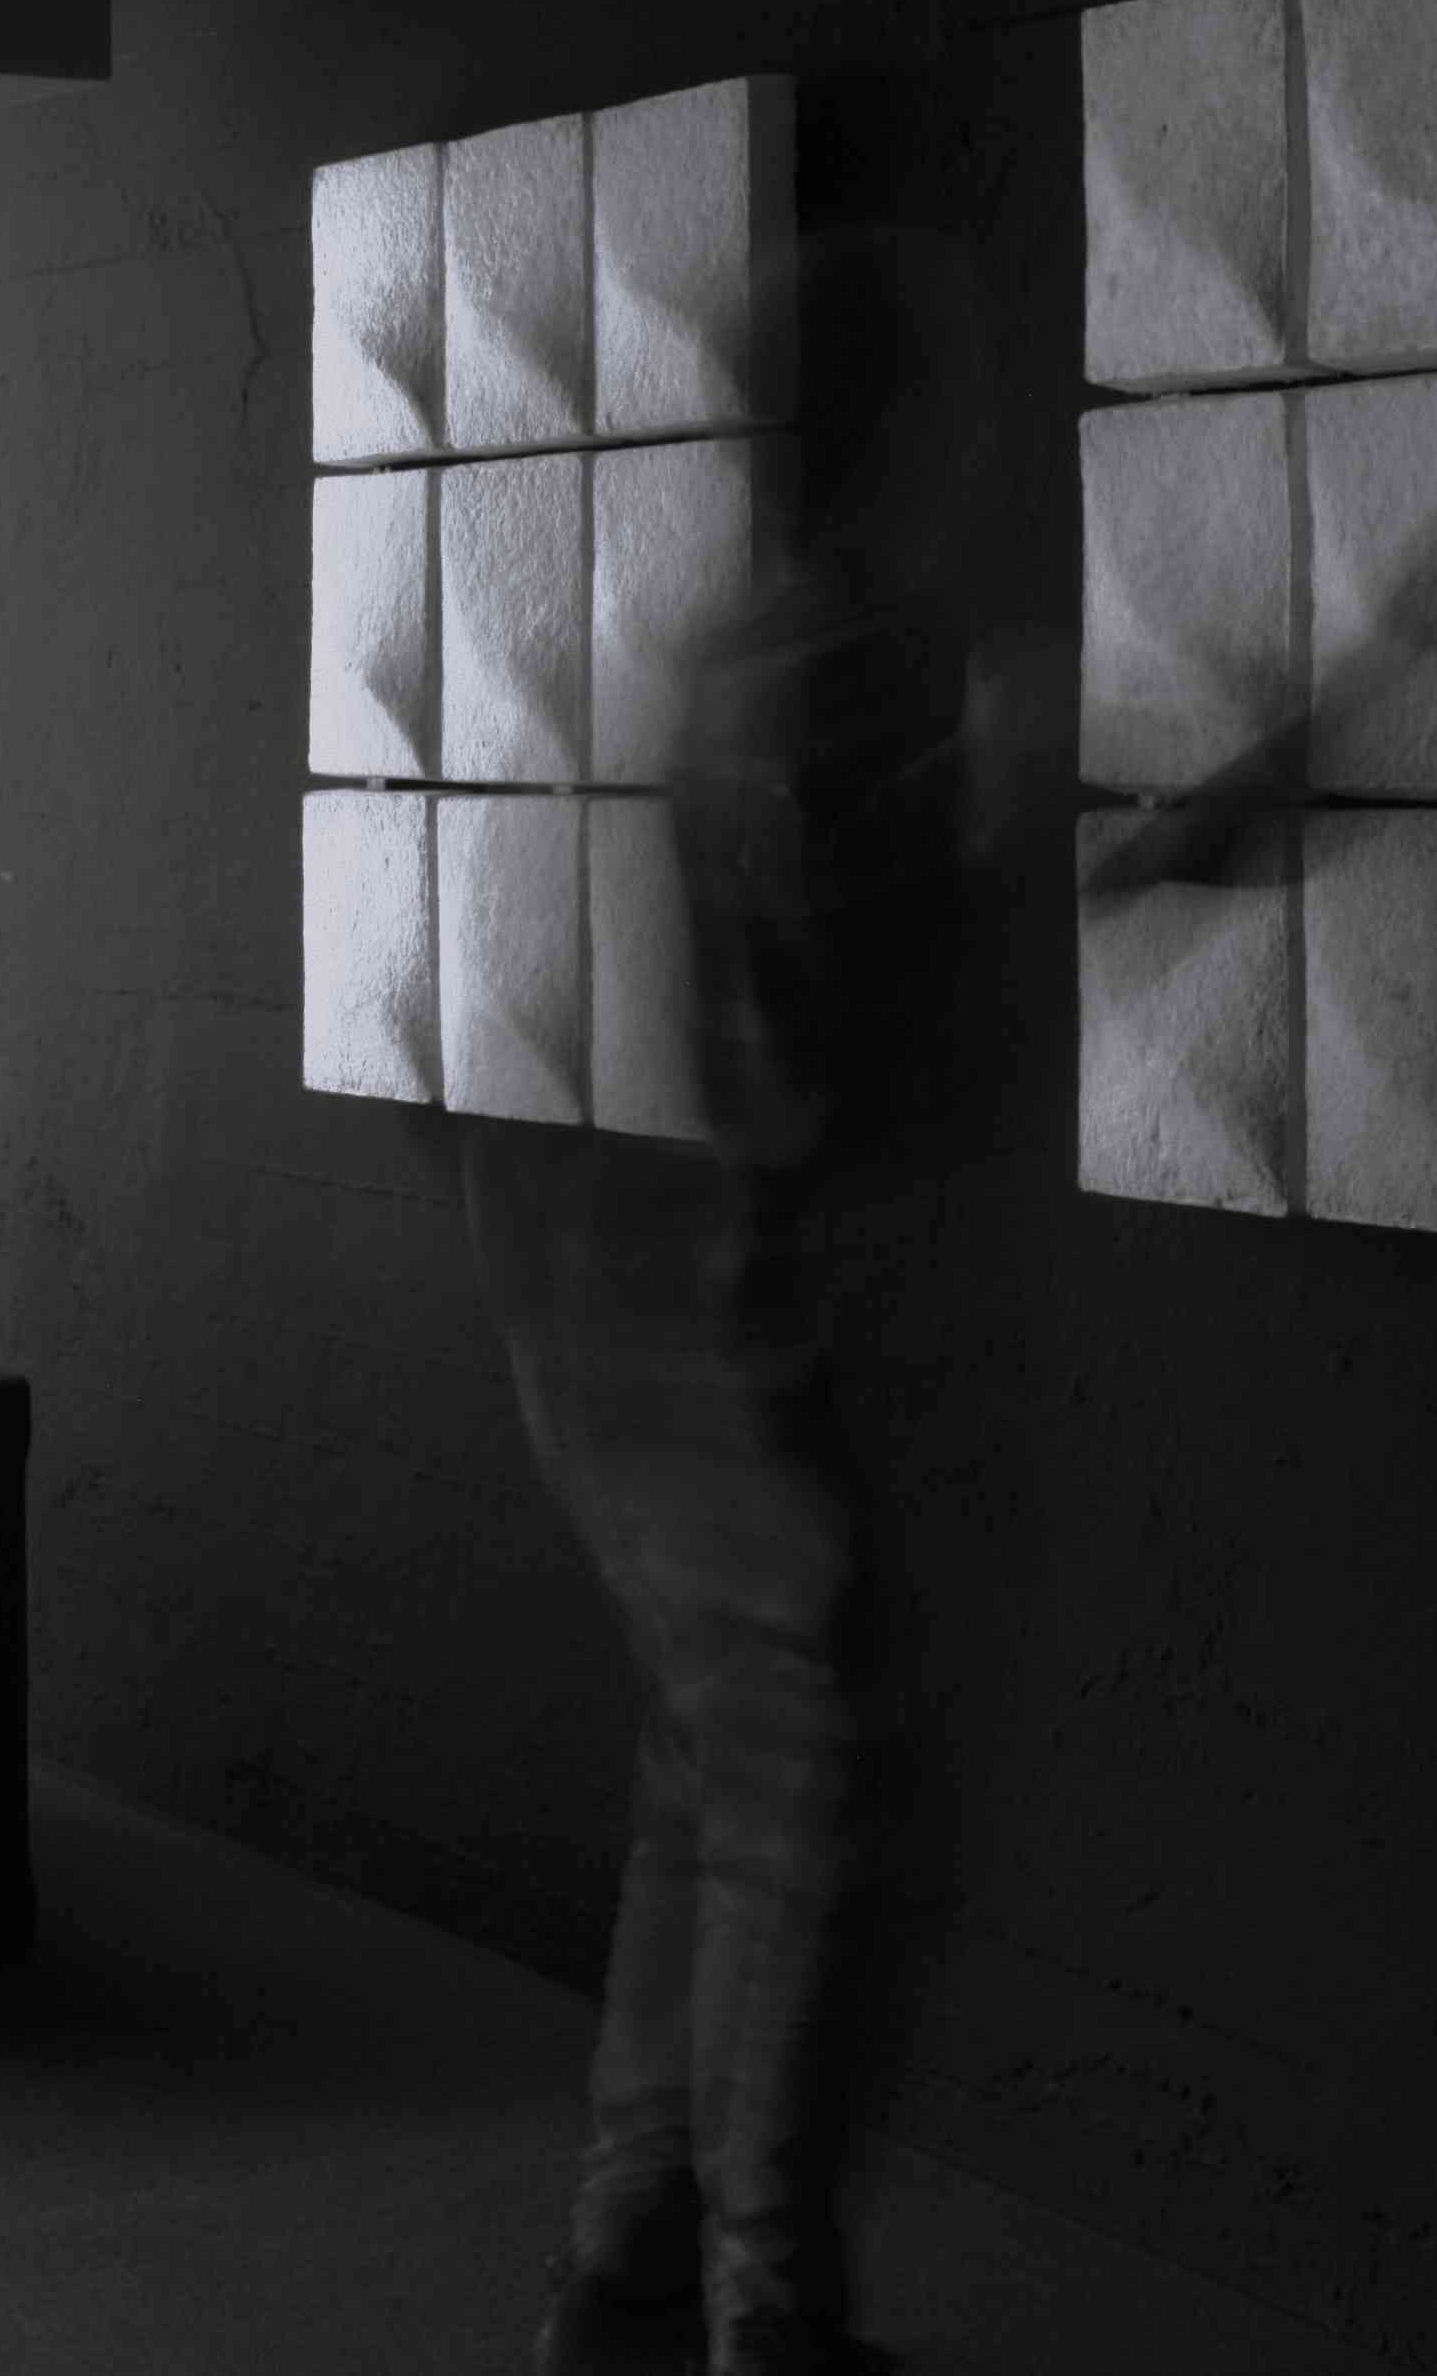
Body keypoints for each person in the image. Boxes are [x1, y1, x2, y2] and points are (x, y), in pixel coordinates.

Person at [470, 227, 1011, 2376]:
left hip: (607, 1330)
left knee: (705, 1789)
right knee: (803, 1825)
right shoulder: (859, 665)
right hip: (733, 1340)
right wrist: (1025, 828)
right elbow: (815, 1058)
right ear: (905, 423)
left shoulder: (732, 651)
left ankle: (622, 2257)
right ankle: (761, 2319)